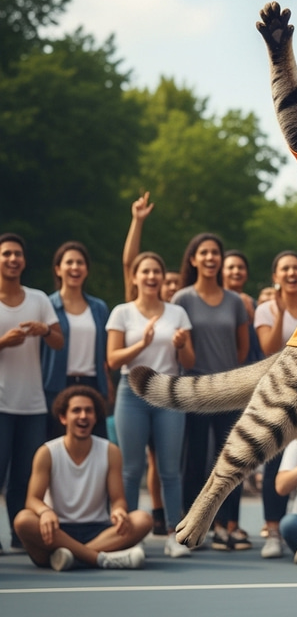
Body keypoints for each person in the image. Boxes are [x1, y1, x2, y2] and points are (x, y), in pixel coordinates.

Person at [107, 251, 195, 558]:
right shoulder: (122, 312)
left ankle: (175, 533)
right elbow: (112, 358)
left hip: (168, 391)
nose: (151, 276)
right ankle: (129, 536)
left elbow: (189, 361)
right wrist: (142, 344)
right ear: (134, 277)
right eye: (145, 271)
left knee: (170, 470)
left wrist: (182, 346)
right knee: (130, 470)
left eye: (156, 271)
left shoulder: (177, 313)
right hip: (131, 392)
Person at [13, 386, 151, 570]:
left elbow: (118, 499)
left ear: (95, 417)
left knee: (143, 519)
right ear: (63, 417)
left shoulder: (110, 451)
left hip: (98, 531)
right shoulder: (46, 452)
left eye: (89, 411)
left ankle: (72, 556)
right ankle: (98, 559)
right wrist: (45, 512)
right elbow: (32, 499)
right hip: (57, 530)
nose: (83, 416)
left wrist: (118, 511)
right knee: (23, 520)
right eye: (76, 410)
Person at [173, 232, 250, 551]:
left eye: (214, 253)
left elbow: (243, 350)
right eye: (203, 252)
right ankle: (192, 526)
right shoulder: (182, 299)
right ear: (193, 259)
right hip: (195, 391)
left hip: (230, 392)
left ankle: (226, 525)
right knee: (194, 461)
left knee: (233, 460)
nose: (209, 258)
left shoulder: (235, 301)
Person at [0, 233, 64, 552]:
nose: (13, 259)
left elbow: (59, 341)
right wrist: (2, 342)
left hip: (33, 404)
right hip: (1, 403)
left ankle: (18, 533)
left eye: (18, 254)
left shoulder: (39, 299)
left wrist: (46, 331)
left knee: (24, 477)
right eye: (7, 254)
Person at [252, 250, 297, 558]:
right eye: (284, 269)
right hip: (276, 397)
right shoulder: (264, 309)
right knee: (274, 463)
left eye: (296, 268)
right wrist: (277, 314)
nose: (291, 273)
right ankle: (273, 531)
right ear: (275, 276)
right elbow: (269, 347)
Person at [41, 241, 110, 440]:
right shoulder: (46, 305)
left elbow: (105, 351)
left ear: (87, 269)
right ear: (58, 269)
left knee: (96, 445)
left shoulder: (99, 308)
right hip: (56, 385)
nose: (75, 267)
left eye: (80, 263)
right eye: (69, 262)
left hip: (92, 384)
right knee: (56, 446)